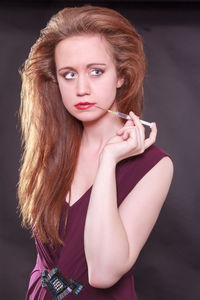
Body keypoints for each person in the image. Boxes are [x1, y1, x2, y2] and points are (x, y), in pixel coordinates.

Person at [18, 5, 173, 300]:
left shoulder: (155, 165)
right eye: (69, 74)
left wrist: (108, 162)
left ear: (121, 76)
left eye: (96, 71)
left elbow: (102, 273)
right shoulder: (52, 148)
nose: (82, 89)